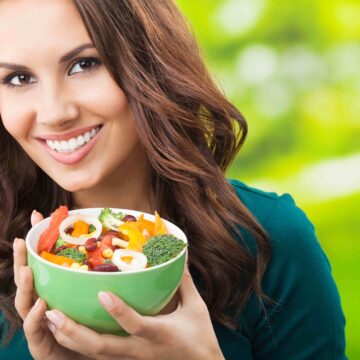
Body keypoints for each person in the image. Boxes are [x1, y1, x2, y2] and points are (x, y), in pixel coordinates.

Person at [0, 0, 346, 359]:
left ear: (149, 64)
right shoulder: (9, 251)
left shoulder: (271, 242)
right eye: (19, 78)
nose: (55, 113)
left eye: (85, 64)